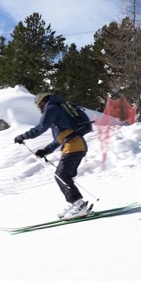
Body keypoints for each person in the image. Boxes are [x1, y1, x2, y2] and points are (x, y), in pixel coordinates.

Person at [14, 92, 89, 220]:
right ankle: (75, 203)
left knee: (62, 175)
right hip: (74, 147)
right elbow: (61, 138)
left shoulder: (52, 108)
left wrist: (23, 136)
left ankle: (79, 204)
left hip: (74, 147)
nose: (39, 110)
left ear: (42, 102)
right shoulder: (59, 113)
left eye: (39, 106)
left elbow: (40, 128)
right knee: (62, 176)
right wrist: (45, 150)